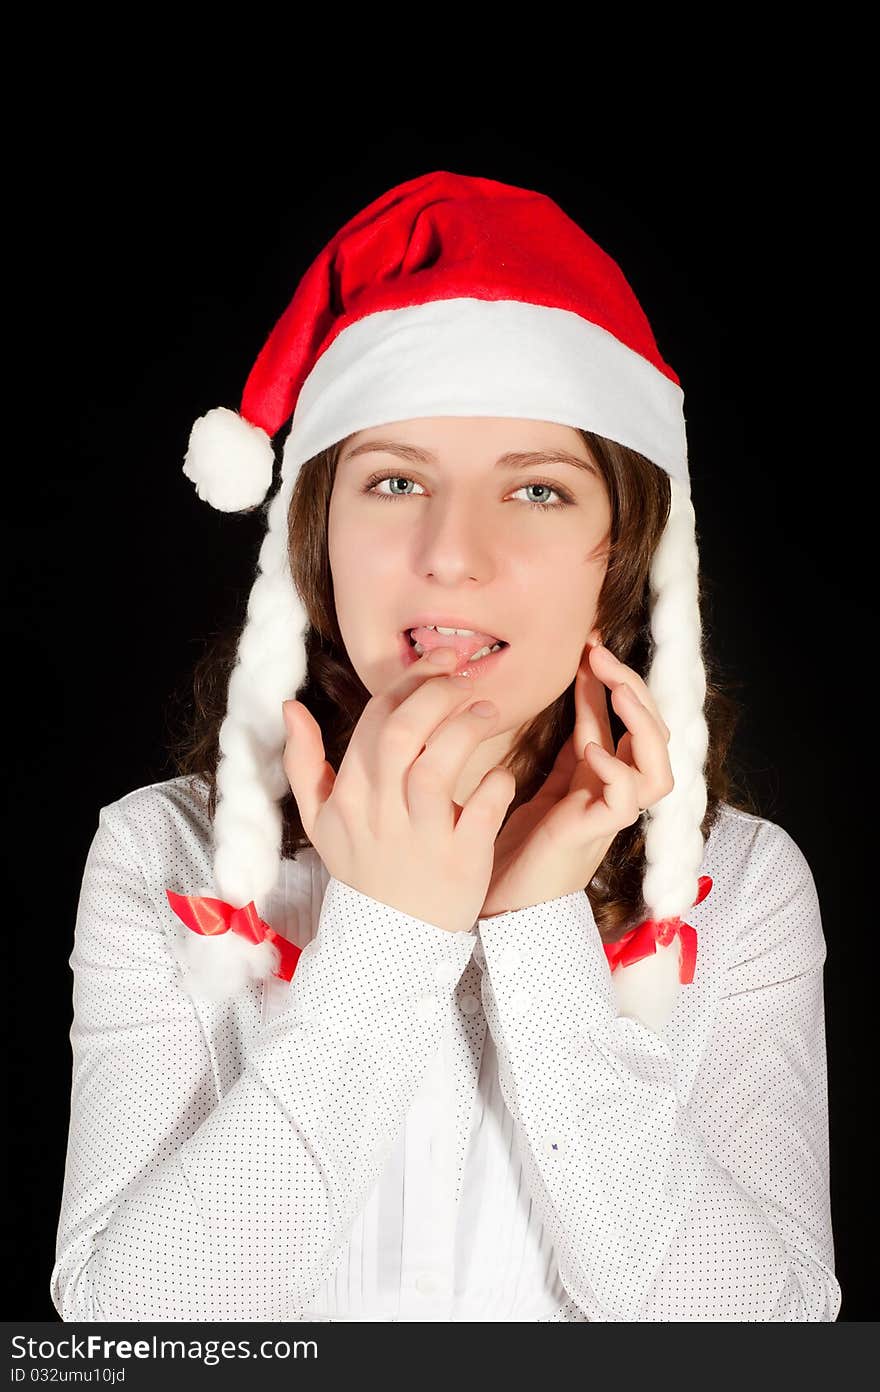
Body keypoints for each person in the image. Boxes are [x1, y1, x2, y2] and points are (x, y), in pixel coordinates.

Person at [50, 171, 842, 1322]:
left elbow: (765, 1335)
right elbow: (131, 1334)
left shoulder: (745, 888)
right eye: (394, 480)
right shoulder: (158, 855)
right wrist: (386, 935)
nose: (451, 554)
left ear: (619, 554)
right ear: (316, 539)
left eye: (536, 489)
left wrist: (536, 936)